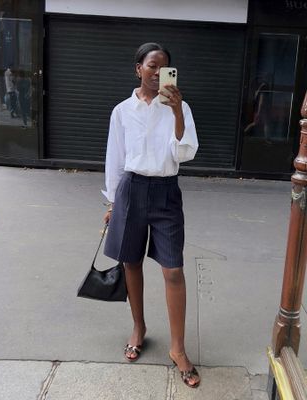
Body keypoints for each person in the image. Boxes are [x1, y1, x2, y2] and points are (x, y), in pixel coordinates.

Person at [102, 43, 200, 388]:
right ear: (138, 69)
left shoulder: (181, 107)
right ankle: (139, 327)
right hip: (130, 190)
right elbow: (115, 158)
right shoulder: (122, 111)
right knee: (131, 263)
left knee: (173, 269)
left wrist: (175, 114)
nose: (158, 73)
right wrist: (112, 203)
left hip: (165, 192)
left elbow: (185, 153)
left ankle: (177, 347)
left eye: (165, 68)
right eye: (152, 66)